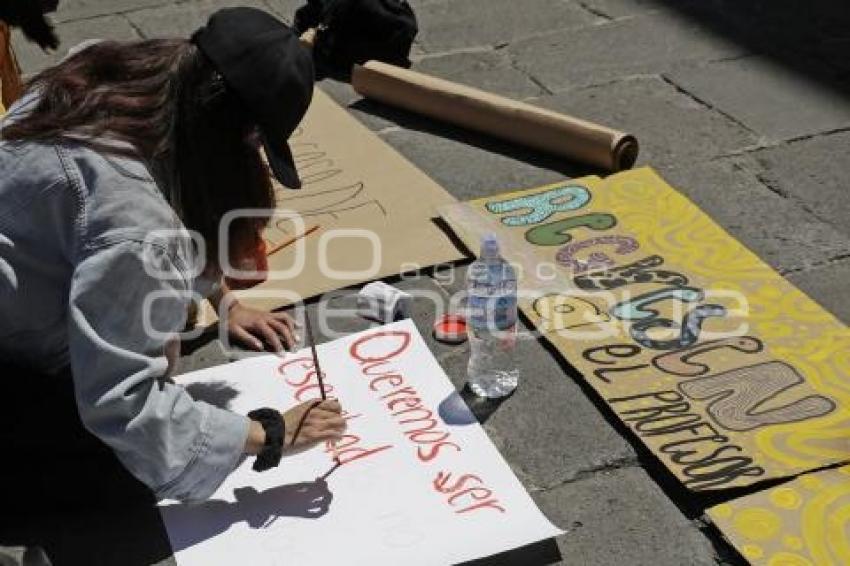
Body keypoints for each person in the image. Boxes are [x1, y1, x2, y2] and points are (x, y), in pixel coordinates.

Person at [0, 6, 345, 511]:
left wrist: (226, 302)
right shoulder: (141, 230)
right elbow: (120, 401)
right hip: (13, 348)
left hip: (24, 269)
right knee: (125, 475)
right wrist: (268, 434)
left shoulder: (103, 70)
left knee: (164, 329)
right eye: (254, 143)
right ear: (230, 131)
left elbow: (181, 193)